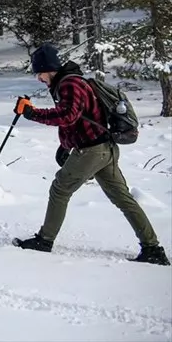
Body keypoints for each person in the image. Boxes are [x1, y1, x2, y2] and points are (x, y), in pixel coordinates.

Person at [13, 44, 169, 265]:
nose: (38, 78)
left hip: (93, 151)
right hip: (104, 149)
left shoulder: (70, 84)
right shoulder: (71, 82)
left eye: (38, 73)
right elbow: (79, 120)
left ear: (48, 69)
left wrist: (32, 113)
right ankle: (153, 249)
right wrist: (66, 145)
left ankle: (44, 241)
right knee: (122, 198)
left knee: (60, 189)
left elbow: (68, 116)